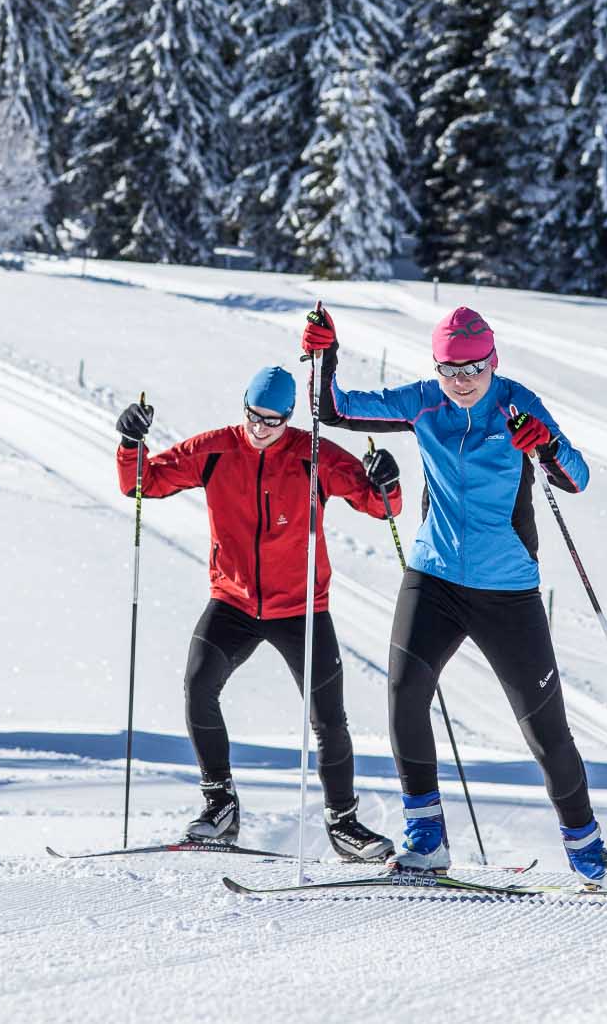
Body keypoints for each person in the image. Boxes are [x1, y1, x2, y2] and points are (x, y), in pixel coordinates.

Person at [303, 302, 607, 891]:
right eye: (450, 370)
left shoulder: (517, 405)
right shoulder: (423, 402)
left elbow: (577, 477)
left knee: (545, 729)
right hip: (433, 576)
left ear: (493, 363)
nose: (462, 382)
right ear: (436, 368)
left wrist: (545, 448)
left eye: (473, 369)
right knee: (405, 693)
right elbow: (333, 410)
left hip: (506, 589)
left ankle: (589, 853)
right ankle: (426, 839)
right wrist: (324, 354)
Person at [115, 365, 402, 860]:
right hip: (234, 601)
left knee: (328, 718)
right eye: (254, 416)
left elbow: (381, 507)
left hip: (302, 607)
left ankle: (343, 825)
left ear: (289, 418)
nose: (261, 428)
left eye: (274, 420)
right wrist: (129, 442)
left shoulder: (313, 456)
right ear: (243, 406)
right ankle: (220, 805)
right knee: (199, 685)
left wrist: (386, 481)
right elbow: (142, 484)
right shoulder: (214, 449)